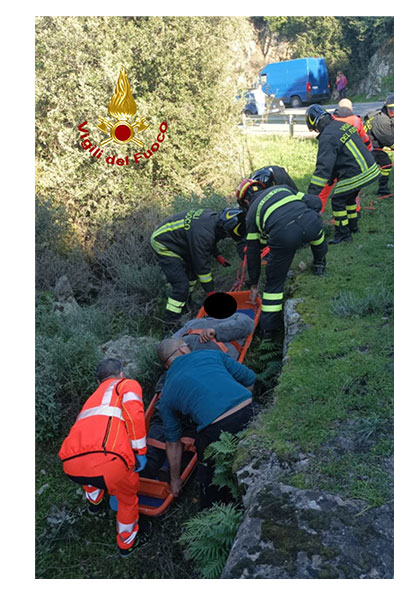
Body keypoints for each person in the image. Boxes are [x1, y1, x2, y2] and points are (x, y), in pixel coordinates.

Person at [59, 358, 147, 557]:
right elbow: (134, 416)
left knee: (89, 468)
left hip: (71, 464)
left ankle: (95, 502)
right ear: (121, 374)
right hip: (109, 463)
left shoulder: (92, 399)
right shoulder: (126, 385)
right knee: (127, 500)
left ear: (99, 382)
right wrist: (140, 451)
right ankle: (126, 543)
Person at [155, 338, 257, 502]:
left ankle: (214, 508)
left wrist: (175, 480)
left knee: (210, 483)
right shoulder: (211, 354)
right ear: (182, 349)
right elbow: (250, 378)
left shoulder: (166, 393)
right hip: (251, 410)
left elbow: (172, 442)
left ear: (166, 366)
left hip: (216, 429)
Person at [244, 182, 327, 336]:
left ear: (246, 202)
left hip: (285, 235)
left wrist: (254, 284)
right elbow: (315, 202)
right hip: (311, 223)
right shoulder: (281, 188)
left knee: (274, 284)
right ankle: (319, 263)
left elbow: (253, 253)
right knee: (317, 235)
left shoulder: (251, 214)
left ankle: (268, 332)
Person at [151, 208, 246, 327]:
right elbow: (202, 268)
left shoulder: (213, 219)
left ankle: (186, 304)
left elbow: (209, 240)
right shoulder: (203, 233)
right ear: (225, 228)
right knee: (181, 286)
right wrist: (211, 293)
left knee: (192, 275)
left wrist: (217, 255)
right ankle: (170, 323)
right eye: (226, 234)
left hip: (179, 239)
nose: (225, 237)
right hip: (164, 243)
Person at [306, 103, 379, 243]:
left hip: (357, 172)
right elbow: (338, 158)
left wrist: (312, 194)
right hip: (370, 168)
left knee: (337, 200)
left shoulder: (327, 136)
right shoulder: (341, 125)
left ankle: (343, 235)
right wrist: (332, 176)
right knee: (349, 198)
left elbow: (323, 168)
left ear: (316, 124)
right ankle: (353, 227)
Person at [315, 99, 373, 219]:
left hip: (334, 162)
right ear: (351, 109)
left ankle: (316, 213)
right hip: (352, 163)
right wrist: (368, 152)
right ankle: (356, 211)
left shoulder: (332, 120)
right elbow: (364, 139)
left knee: (324, 190)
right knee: (353, 192)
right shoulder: (356, 120)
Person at [364, 94, 394, 198]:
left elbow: (390, 135)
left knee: (385, 163)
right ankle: (381, 189)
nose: (392, 111)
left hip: (370, 146)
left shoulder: (381, 115)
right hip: (369, 148)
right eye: (390, 108)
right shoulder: (382, 120)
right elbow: (388, 140)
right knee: (384, 164)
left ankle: (381, 188)